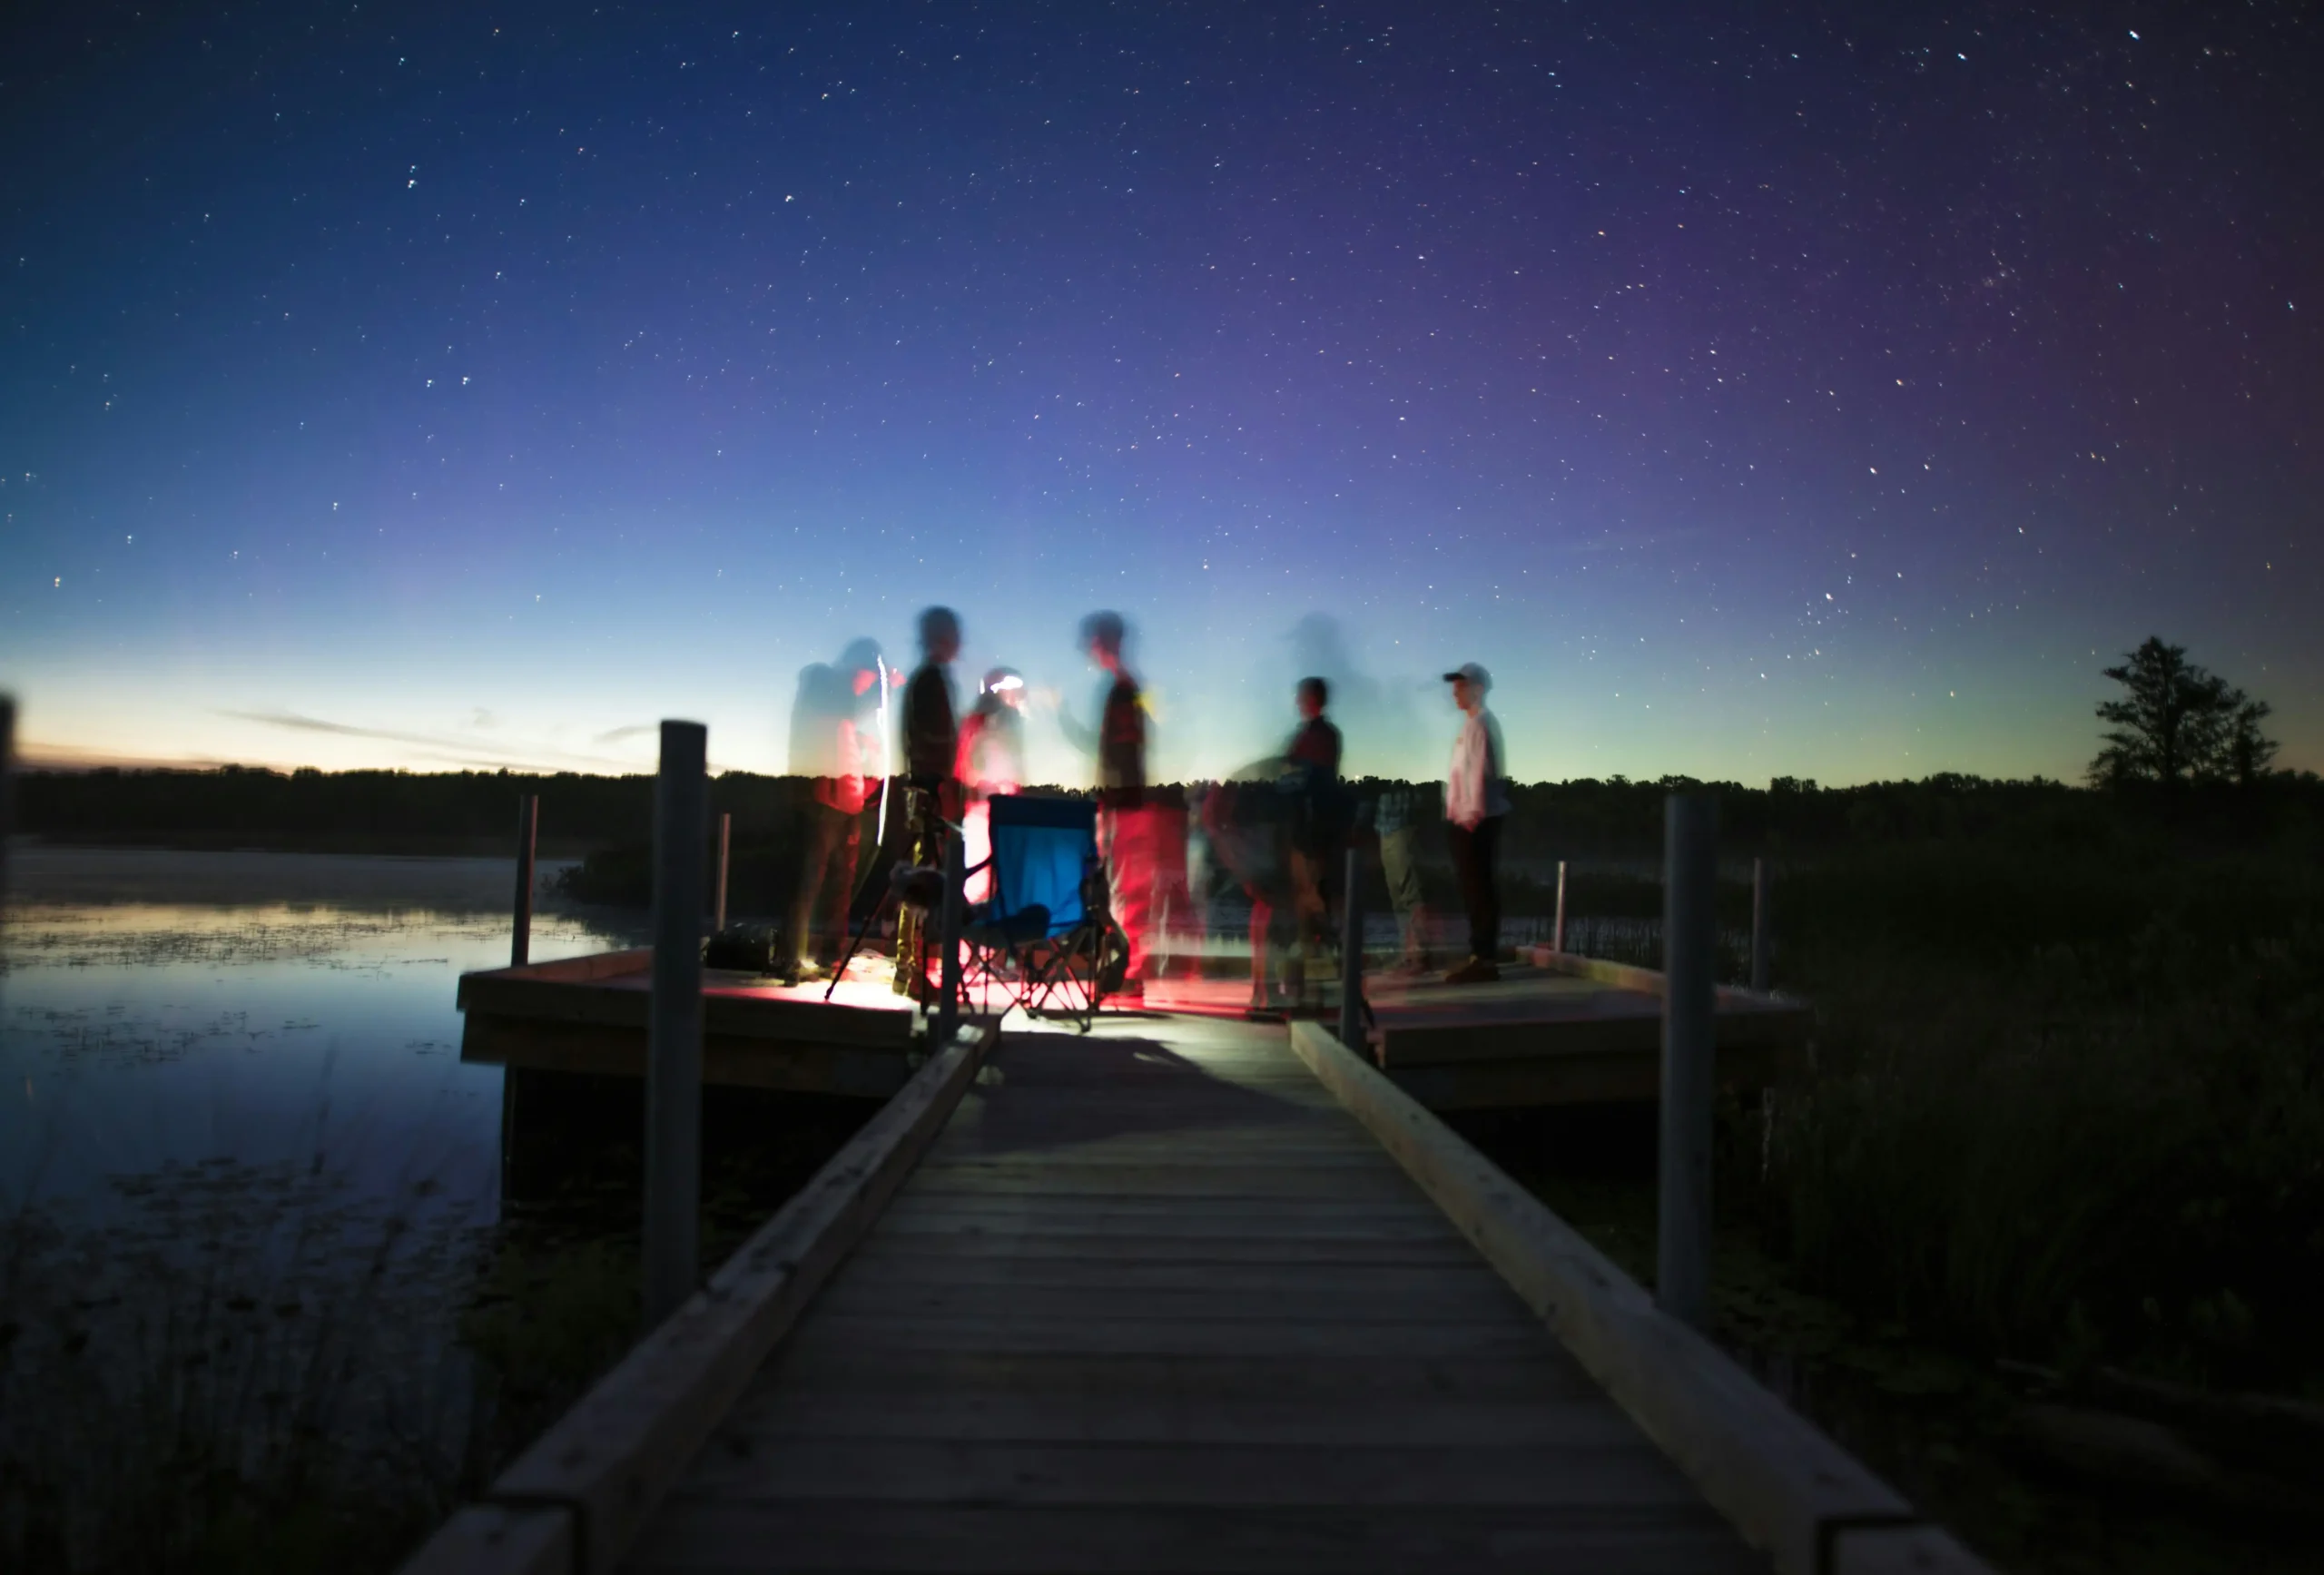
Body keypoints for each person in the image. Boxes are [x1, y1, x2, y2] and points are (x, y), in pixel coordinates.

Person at [1059, 610, 1186, 997]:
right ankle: (1128, 972)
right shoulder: (1126, 688)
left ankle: (1130, 974)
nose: (1090, 649)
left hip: (1125, 807)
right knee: (1125, 891)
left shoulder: (1123, 689)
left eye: (1094, 641)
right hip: (1124, 804)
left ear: (1105, 643)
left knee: (1127, 891)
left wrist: (1062, 718)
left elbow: (1119, 751)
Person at [787, 638, 882, 978]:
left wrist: (861, 742)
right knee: (810, 879)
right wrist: (879, 693)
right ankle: (791, 957)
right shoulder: (823, 682)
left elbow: (842, 727)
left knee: (841, 883)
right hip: (823, 803)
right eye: (870, 674)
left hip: (849, 803)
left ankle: (831, 955)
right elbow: (837, 715)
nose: (870, 682)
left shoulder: (843, 705)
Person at [892, 606, 962, 999]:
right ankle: (911, 971)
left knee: (922, 878)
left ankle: (912, 969)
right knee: (920, 880)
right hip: (928, 795)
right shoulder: (930, 681)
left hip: (926, 792)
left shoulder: (928, 679)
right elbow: (930, 742)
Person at [1442, 661, 1510, 984]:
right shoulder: (1471, 725)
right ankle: (1478, 955)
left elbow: (1481, 774)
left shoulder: (1481, 724)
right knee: (1473, 888)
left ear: (1478, 689)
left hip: (1476, 821)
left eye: (1461, 686)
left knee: (1479, 888)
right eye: (1455, 687)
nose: (1455, 692)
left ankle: (1483, 959)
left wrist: (1471, 816)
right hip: (1467, 819)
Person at [1279, 677, 1345, 1009]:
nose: (1298, 702)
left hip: (1313, 831)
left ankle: (1323, 978)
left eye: (1303, 697)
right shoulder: (1313, 735)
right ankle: (1310, 981)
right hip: (1304, 830)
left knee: (1315, 899)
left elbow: (1312, 781)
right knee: (1306, 903)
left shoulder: (1321, 737)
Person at [957, 666, 1027, 905]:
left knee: (979, 878)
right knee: (988, 877)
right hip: (990, 806)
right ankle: (982, 935)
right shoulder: (1001, 720)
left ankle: (973, 935)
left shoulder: (973, 720)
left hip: (982, 805)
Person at [1374, 783, 1433, 973]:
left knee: (1410, 892)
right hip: (1385, 828)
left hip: (1402, 826)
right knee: (1397, 896)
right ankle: (1408, 953)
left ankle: (1420, 954)